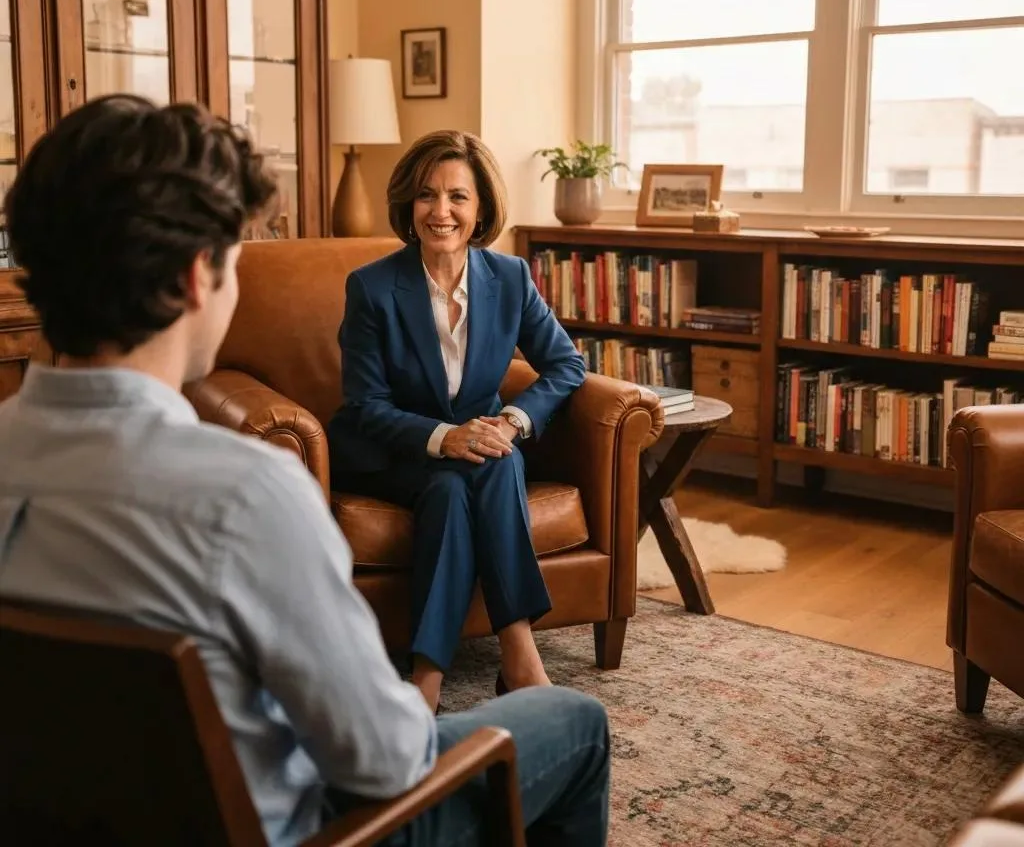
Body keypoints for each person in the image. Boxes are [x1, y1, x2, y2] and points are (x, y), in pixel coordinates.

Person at [0, 96, 610, 847]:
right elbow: (385, 761)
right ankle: (490, 667)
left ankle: (491, 651)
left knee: (477, 471)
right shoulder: (247, 498)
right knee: (576, 722)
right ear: (200, 278)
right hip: (310, 832)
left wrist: (500, 426)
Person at [328, 130, 587, 714]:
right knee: (469, 467)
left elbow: (566, 364)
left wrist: (514, 421)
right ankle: (520, 658)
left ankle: (428, 675)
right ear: (408, 205)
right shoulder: (372, 287)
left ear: (481, 209)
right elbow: (365, 404)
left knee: (472, 476)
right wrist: (446, 437)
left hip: (472, 455)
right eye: (426, 196)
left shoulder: (511, 278)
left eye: (457, 197)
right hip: (393, 451)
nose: (440, 211)